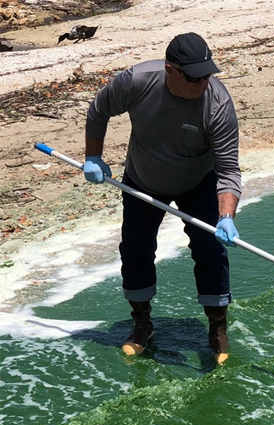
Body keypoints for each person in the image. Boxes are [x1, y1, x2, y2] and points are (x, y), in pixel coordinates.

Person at [83, 32, 241, 364]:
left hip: (197, 182)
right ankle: (141, 324)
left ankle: (217, 327)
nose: (201, 83)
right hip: (142, 180)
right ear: (170, 69)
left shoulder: (218, 105)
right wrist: (93, 157)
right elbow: (98, 110)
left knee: (209, 250)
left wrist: (226, 216)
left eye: (207, 74)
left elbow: (228, 172)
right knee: (136, 250)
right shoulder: (136, 81)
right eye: (193, 76)